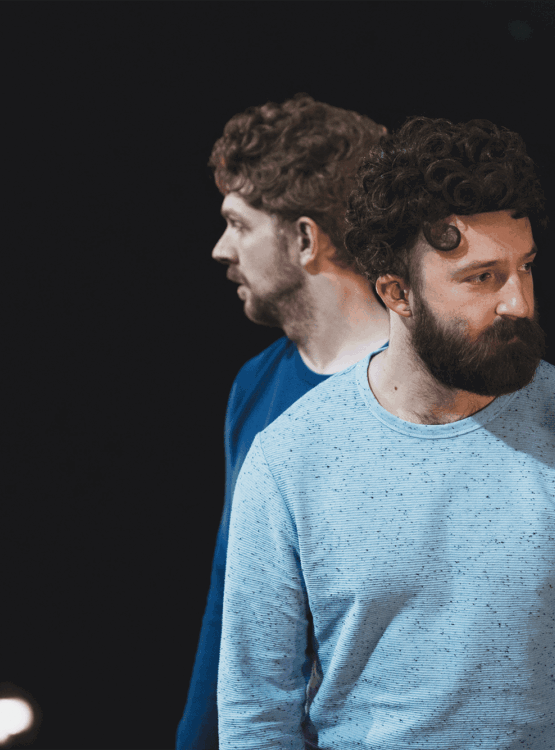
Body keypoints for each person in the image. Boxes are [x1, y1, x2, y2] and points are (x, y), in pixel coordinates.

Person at [217, 116, 555, 749]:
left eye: (525, 268)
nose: (518, 302)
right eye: (482, 277)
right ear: (396, 293)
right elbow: (255, 709)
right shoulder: (290, 458)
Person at [176, 94, 389, 750]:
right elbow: (232, 599)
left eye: (239, 224)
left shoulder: (438, 390)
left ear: (303, 238)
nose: (219, 249)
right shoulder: (255, 387)